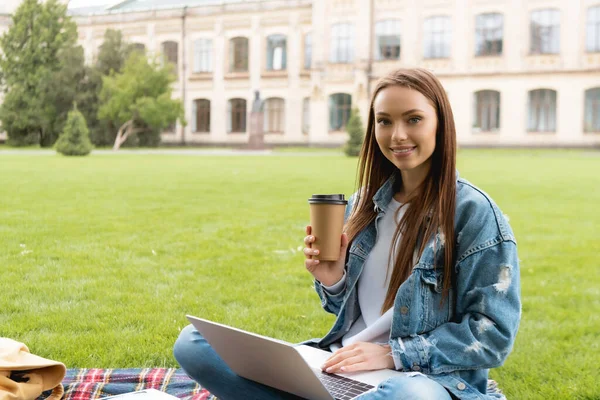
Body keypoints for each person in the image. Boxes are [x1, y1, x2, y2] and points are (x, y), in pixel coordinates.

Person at [173, 68, 521, 400]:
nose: (397, 134)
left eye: (413, 119)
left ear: (440, 125)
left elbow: (492, 334)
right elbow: (351, 311)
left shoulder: (473, 214)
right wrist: (333, 280)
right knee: (193, 342)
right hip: (340, 368)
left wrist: (392, 355)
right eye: (384, 121)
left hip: (420, 380)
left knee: (409, 395)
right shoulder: (364, 203)